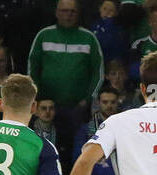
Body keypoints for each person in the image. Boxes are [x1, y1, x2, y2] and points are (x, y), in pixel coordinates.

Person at [28, 0, 104, 166]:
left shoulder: (88, 38)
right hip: (47, 108)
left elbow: (98, 72)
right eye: (64, 11)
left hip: (78, 108)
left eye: (72, 11)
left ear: (78, 13)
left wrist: (88, 99)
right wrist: (37, 96)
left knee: (75, 151)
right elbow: (32, 68)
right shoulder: (44, 35)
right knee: (45, 150)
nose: (68, 15)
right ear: (56, 12)